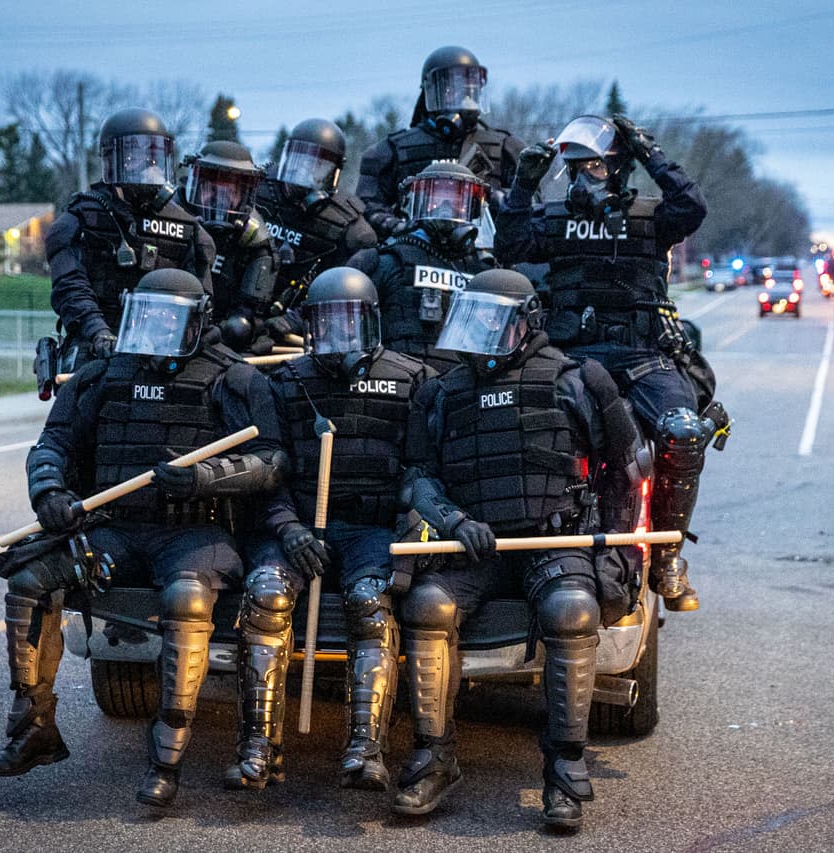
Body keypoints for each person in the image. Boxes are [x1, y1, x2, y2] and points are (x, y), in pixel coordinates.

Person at [0, 268, 289, 809]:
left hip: (195, 532)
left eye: (171, 319)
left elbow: (272, 462)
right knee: (28, 578)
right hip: (116, 529)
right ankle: (33, 728)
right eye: (149, 317)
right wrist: (49, 492)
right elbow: (52, 443)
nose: (158, 329)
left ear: (198, 321)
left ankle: (166, 760)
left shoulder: (235, 379)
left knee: (186, 600)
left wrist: (204, 477)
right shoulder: (104, 374)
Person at [392, 269, 644, 830]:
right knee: (428, 606)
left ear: (528, 322)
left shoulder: (578, 380)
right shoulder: (442, 392)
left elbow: (624, 472)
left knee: (571, 610)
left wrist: (619, 556)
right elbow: (417, 478)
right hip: (474, 548)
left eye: (494, 321)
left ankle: (565, 770)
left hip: (554, 541)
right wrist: (453, 519)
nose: (481, 333)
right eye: (473, 320)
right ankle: (435, 759)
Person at [495, 113, 722, 612]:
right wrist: (523, 185)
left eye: (594, 167)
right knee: (520, 424)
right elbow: (509, 245)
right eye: (575, 169)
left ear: (618, 168)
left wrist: (650, 152)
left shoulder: (652, 217)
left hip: (642, 358)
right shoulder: (555, 219)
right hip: (570, 359)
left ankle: (667, 555)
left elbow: (693, 206)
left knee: (684, 432)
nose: (583, 178)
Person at [226, 267, 433, 792]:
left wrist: (408, 522)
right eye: (326, 324)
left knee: (370, 602)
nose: (338, 336)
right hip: (299, 525)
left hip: (372, 528)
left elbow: (422, 469)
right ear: (311, 327)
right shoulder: (285, 382)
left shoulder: (412, 379)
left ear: (372, 322)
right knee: (267, 594)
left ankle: (366, 751)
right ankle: (259, 748)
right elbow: (266, 469)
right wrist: (288, 529)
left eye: (350, 323)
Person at [46, 107, 215, 370]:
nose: (148, 165)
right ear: (112, 160)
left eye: (154, 155)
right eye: (135, 156)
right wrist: (98, 332)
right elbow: (70, 287)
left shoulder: (187, 227)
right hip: (98, 340)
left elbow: (200, 299)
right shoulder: (80, 220)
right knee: (80, 385)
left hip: (165, 344)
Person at [356, 45, 525, 241]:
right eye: (453, 90)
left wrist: (495, 198)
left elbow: (529, 203)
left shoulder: (506, 147)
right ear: (430, 92)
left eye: (470, 91)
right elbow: (367, 206)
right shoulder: (390, 150)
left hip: (487, 249)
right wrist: (397, 226)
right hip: (415, 246)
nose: (464, 99)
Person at [348, 161, 495, 372]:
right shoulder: (384, 261)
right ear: (417, 202)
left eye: (457, 202)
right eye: (436, 200)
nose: (446, 209)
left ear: (472, 210)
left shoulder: (484, 272)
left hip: (462, 383)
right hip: (400, 379)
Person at [254, 119, 377, 332]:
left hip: (302, 329)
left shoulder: (352, 229)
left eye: (318, 167)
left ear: (334, 173)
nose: (304, 173)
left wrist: (299, 319)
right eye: (299, 162)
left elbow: (345, 290)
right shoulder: (256, 192)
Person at [180, 140, 280, 354]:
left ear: (245, 195)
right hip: (170, 322)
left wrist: (216, 333)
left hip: (223, 335)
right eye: (211, 188)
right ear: (195, 185)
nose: (220, 199)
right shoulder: (174, 219)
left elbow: (249, 313)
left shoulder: (256, 240)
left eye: (230, 191)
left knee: (240, 328)